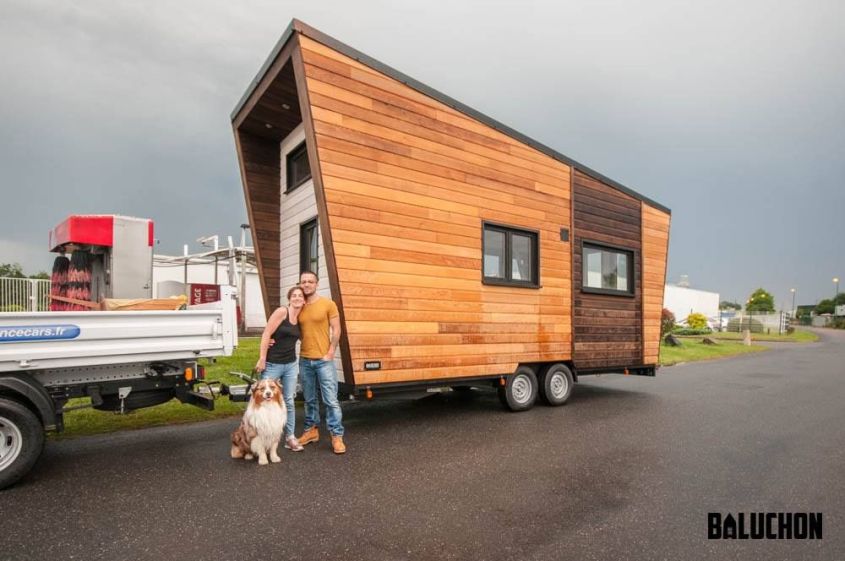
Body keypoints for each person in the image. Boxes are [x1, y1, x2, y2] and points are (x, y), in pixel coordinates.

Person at [296, 270, 346, 454]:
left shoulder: (328, 304)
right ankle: (311, 431)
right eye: (303, 282)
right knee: (309, 400)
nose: (307, 284)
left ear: (317, 284)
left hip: (324, 360)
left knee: (331, 400)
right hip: (305, 360)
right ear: (300, 284)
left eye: (310, 281)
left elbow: (337, 329)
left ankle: (336, 436)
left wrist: (331, 351)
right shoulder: (298, 305)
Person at [254, 286, 306, 452]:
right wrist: (262, 358)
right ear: (289, 299)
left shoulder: (301, 318)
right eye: (294, 295)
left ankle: (290, 438)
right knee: (264, 401)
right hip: (272, 364)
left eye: (300, 296)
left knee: (288, 401)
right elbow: (266, 333)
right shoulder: (281, 312)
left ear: (304, 300)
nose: (297, 298)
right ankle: (261, 440)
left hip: (290, 364)